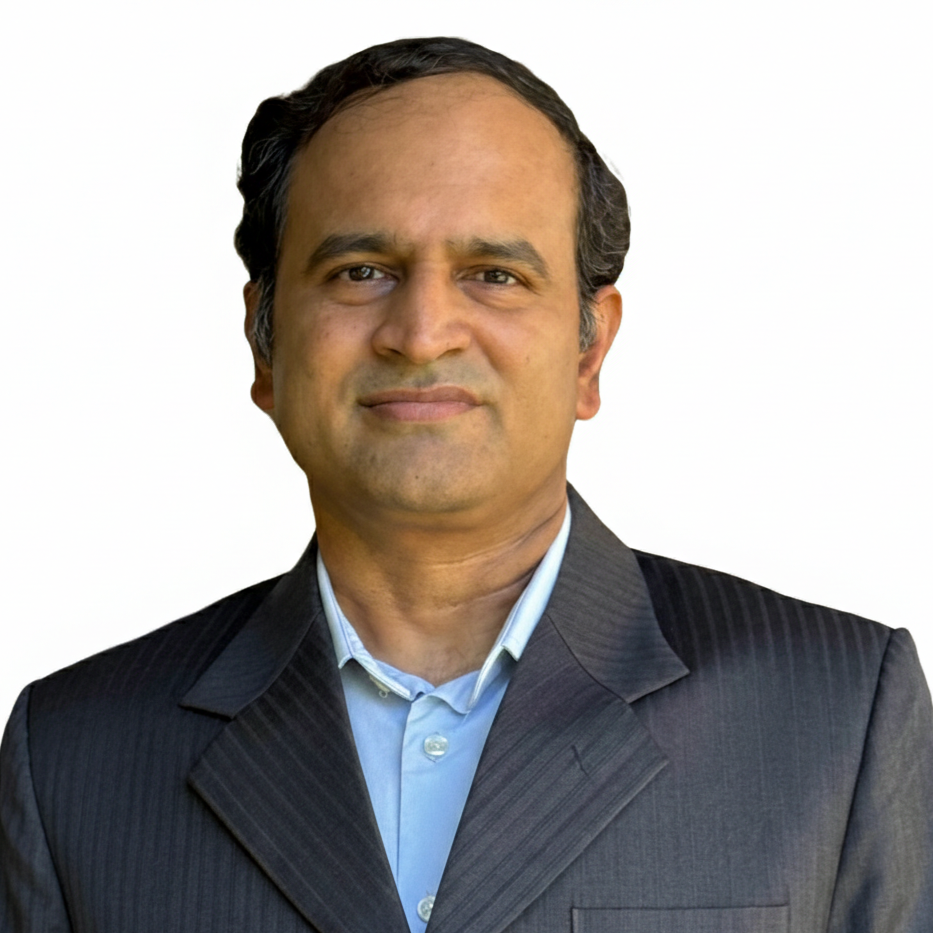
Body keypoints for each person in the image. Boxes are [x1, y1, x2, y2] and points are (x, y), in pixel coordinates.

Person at [1, 35, 930, 933]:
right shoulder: (74, 757)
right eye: (360, 271)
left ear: (588, 347)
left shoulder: (837, 717)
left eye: (494, 274)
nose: (423, 330)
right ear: (264, 338)